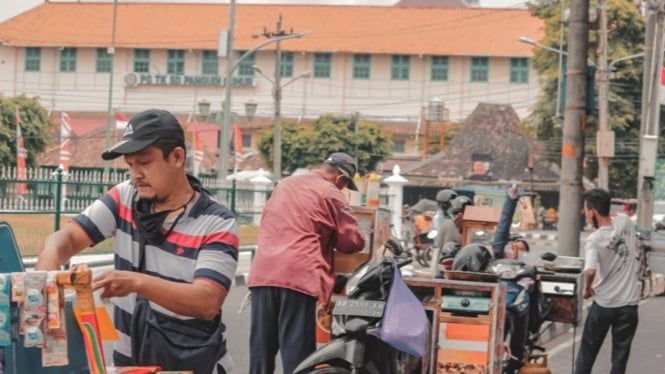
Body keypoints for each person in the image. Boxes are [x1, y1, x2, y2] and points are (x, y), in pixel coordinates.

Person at [34, 109, 237, 373]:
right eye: (131, 165)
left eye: (145, 162)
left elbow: (206, 301)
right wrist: (44, 284)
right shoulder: (125, 198)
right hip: (130, 366)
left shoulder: (217, 222)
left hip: (194, 366)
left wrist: (136, 283)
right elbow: (67, 239)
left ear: (177, 157)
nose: (136, 174)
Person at [247, 152, 366, 374]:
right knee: (296, 355)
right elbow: (352, 241)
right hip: (298, 275)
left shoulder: (285, 184)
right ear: (341, 179)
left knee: (260, 352)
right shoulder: (332, 193)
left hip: (263, 272)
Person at [574, 188, 640, 374]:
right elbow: (616, 216)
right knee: (619, 359)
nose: (586, 215)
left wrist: (587, 289)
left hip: (603, 305)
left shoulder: (594, 239)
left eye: (587, 211)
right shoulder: (625, 222)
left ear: (593, 211)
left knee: (587, 354)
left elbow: (590, 271)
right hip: (629, 306)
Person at [492, 185, 530, 261]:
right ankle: (511, 199)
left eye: (521, 249)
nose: (517, 249)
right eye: (514, 247)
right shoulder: (503, 253)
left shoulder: (523, 265)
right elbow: (502, 231)